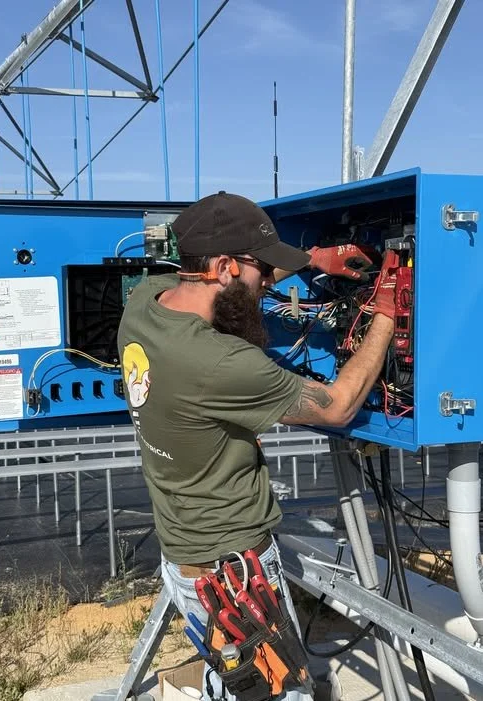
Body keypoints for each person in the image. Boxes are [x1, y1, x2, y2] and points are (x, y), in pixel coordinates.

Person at [117, 191, 397, 701]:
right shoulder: (219, 362)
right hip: (237, 579)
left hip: (184, 558)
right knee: (279, 691)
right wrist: (385, 315)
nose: (268, 283)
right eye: (262, 272)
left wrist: (313, 260)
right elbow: (336, 406)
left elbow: (222, 289)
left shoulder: (145, 304)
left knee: (233, 676)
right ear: (222, 266)